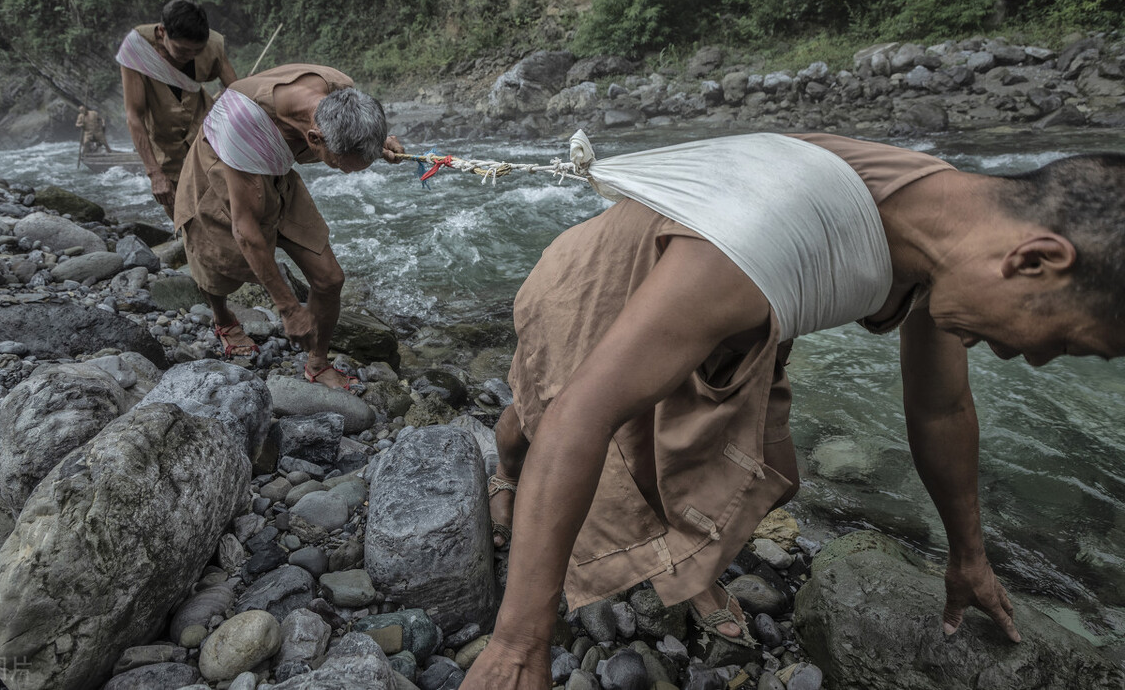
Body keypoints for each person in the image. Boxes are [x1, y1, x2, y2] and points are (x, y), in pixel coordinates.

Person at [460, 132, 1125, 689]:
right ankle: (506, 473)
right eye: (1064, 342)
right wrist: (519, 644)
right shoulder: (766, 231)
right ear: (1036, 260)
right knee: (547, 414)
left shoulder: (952, 229)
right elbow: (582, 416)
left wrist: (969, 556)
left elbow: (941, 407)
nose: (1035, 359)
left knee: (746, 467)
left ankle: (684, 567)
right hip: (605, 281)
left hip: (732, 315)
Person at [172, 63, 403, 382]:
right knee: (219, 262)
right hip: (227, 163)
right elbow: (246, 232)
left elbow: (353, 132)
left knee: (330, 279)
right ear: (314, 138)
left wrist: (376, 144)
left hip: (277, 165)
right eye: (342, 166)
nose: (347, 174)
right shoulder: (242, 125)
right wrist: (290, 308)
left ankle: (317, 364)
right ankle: (223, 318)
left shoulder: (339, 88)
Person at [118, 0, 238, 218]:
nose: (190, 56)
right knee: (183, 217)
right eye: (183, 50)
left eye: (197, 50)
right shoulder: (136, 49)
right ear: (162, 32)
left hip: (209, 134)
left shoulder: (212, 44)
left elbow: (237, 93)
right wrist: (155, 173)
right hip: (166, 148)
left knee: (228, 208)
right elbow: (134, 116)